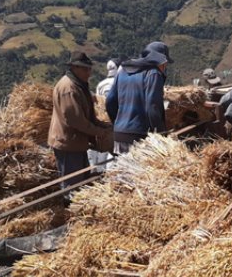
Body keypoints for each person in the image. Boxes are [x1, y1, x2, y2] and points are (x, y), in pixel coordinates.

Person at [48, 51, 111, 201]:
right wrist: (99, 132)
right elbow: (75, 120)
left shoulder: (78, 85)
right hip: (68, 143)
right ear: (75, 68)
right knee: (72, 185)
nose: (89, 73)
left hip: (76, 143)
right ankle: (70, 212)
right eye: (85, 69)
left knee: (82, 179)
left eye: (89, 69)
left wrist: (104, 125)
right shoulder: (68, 89)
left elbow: (86, 115)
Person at [105, 41, 171, 154]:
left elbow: (110, 101)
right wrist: (161, 136)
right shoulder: (153, 73)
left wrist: (119, 122)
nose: (165, 66)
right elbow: (152, 107)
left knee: (123, 170)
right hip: (140, 136)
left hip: (120, 134)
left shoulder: (122, 71)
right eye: (165, 63)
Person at [89, 59, 118, 171]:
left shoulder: (101, 84)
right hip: (116, 120)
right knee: (115, 150)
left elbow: (97, 103)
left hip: (102, 120)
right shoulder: (120, 82)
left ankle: (100, 172)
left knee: (103, 149)